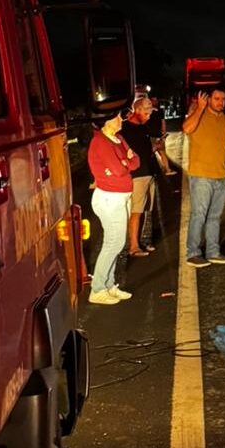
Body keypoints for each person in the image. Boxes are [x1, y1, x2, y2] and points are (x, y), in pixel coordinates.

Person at [87, 109, 138, 304]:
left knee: (116, 242)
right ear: (105, 121)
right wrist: (126, 160)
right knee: (113, 243)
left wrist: (126, 161)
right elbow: (118, 170)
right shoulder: (100, 141)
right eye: (116, 116)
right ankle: (98, 289)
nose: (121, 119)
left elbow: (136, 161)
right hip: (110, 198)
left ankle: (108, 285)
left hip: (120, 197)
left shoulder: (118, 138)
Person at [183, 88, 225, 267]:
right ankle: (193, 252)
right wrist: (200, 108)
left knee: (215, 216)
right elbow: (187, 128)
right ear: (209, 99)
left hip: (220, 175)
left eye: (223, 99)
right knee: (199, 214)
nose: (220, 102)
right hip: (201, 175)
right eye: (216, 98)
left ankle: (213, 252)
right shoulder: (198, 113)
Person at [119, 96, 159, 257]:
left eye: (150, 113)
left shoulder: (143, 128)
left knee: (144, 210)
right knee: (136, 210)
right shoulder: (124, 129)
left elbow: (144, 151)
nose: (149, 116)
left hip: (148, 172)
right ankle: (133, 246)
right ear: (137, 110)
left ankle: (139, 242)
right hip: (137, 175)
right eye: (147, 112)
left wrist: (154, 147)